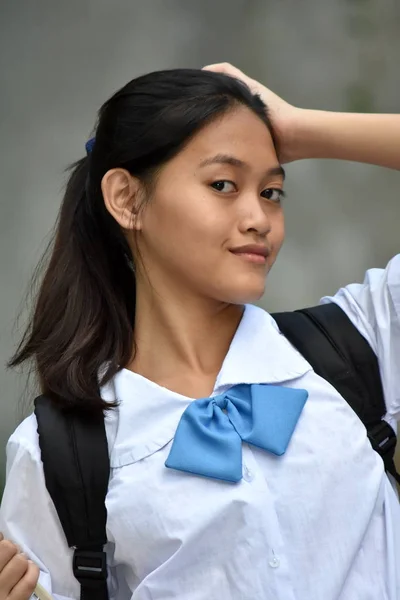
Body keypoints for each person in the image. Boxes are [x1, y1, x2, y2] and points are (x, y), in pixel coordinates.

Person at [0, 62, 399, 600]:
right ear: (126, 198)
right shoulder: (60, 453)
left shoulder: (358, 341)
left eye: (272, 191)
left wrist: (303, 129)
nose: (258, 216)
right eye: (223, 184)